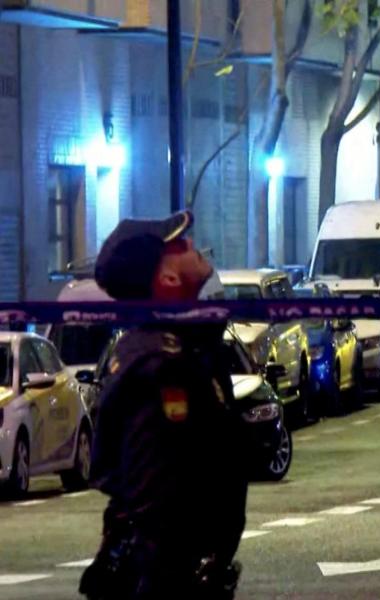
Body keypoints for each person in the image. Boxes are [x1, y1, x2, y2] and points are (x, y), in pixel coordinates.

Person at [80, 211, 247, 599]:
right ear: (168, 279)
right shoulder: (160, 368)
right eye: (180, 245)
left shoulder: (188, 349)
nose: (193, 245)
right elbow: (155, 501)